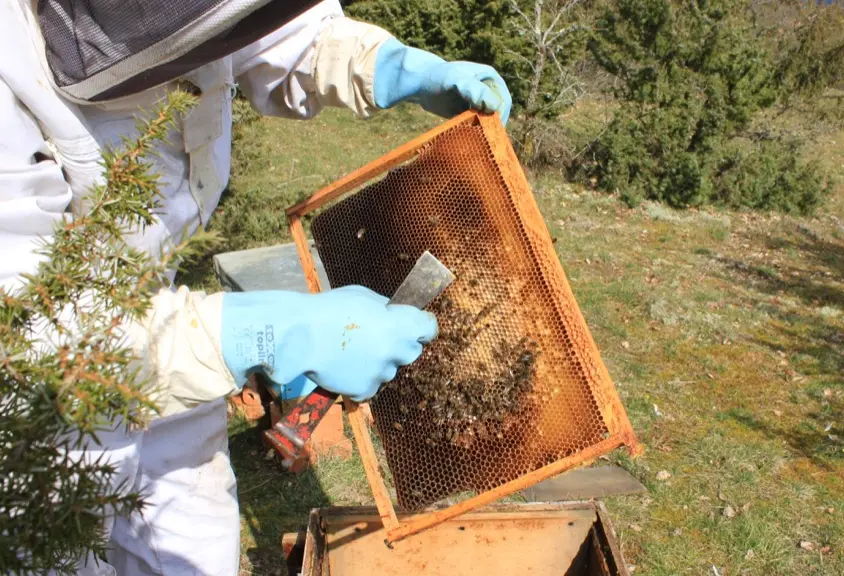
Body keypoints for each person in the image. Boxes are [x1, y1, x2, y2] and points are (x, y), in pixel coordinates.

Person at [0, 1, 512, 574]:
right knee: (64, 557)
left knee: (198, 549)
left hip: (158, 322)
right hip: (35, 412)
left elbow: (277, 39)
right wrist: (258, 335)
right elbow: (24, 341)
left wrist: (388, 67)